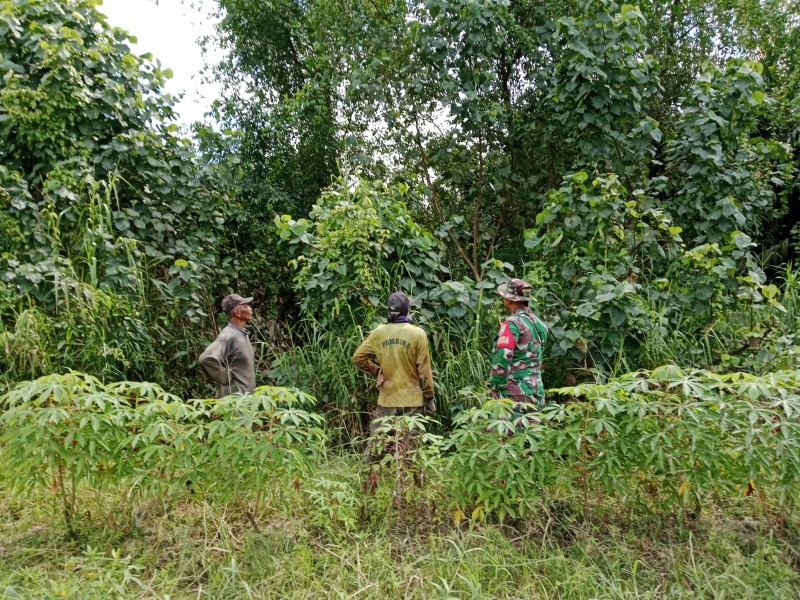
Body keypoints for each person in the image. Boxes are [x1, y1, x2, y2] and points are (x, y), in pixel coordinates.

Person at [352, 292, 436, 457]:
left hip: (387, 398)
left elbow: (358, 358)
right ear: (406, 310)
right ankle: (407, 479)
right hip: (412, 399)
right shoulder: (417, 334)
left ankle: (366, 478)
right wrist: (430, 397)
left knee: (377, 441)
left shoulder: (380, 332)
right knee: (409, 444)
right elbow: (424, 371)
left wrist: (376, 370)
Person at [490, 278, 548, 414]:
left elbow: (502, 356)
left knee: (512, 434)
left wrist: (496, 385)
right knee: (533, 433)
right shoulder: (539, 324)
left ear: (509, 300)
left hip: (515, 393)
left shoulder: (512, 324)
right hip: (536, 389)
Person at [198, 293, 256, 397]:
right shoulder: (228, 335)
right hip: (234, 402)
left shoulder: (242, 333)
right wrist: (225, 377)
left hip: (246, 401)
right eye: (246, 306)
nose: (250, 309)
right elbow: (205, 358)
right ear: (237, 312)